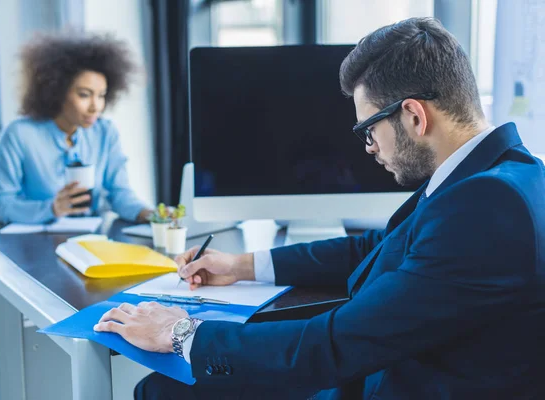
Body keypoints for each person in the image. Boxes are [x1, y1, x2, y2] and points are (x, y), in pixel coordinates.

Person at [94, 17, 545, 400]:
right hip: (381, 368)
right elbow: (380, 245)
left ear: (414, 116)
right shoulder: (502, 174)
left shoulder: (487, 205)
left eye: (368, 128)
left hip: (389, 382)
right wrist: (243, 264)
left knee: (161, 389)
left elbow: (334, 345)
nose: (368, 148)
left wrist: (180, 332)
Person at [0, 32, 153, 224]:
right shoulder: (19, 134)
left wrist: (152, 214)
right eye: (84, 95)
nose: (96, 107)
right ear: (57, 91)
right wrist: (51, 208)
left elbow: (120, 193)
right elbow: (1, 204)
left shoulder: (105, 132)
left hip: (92, 241)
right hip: (34, 243)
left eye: (101, 95)